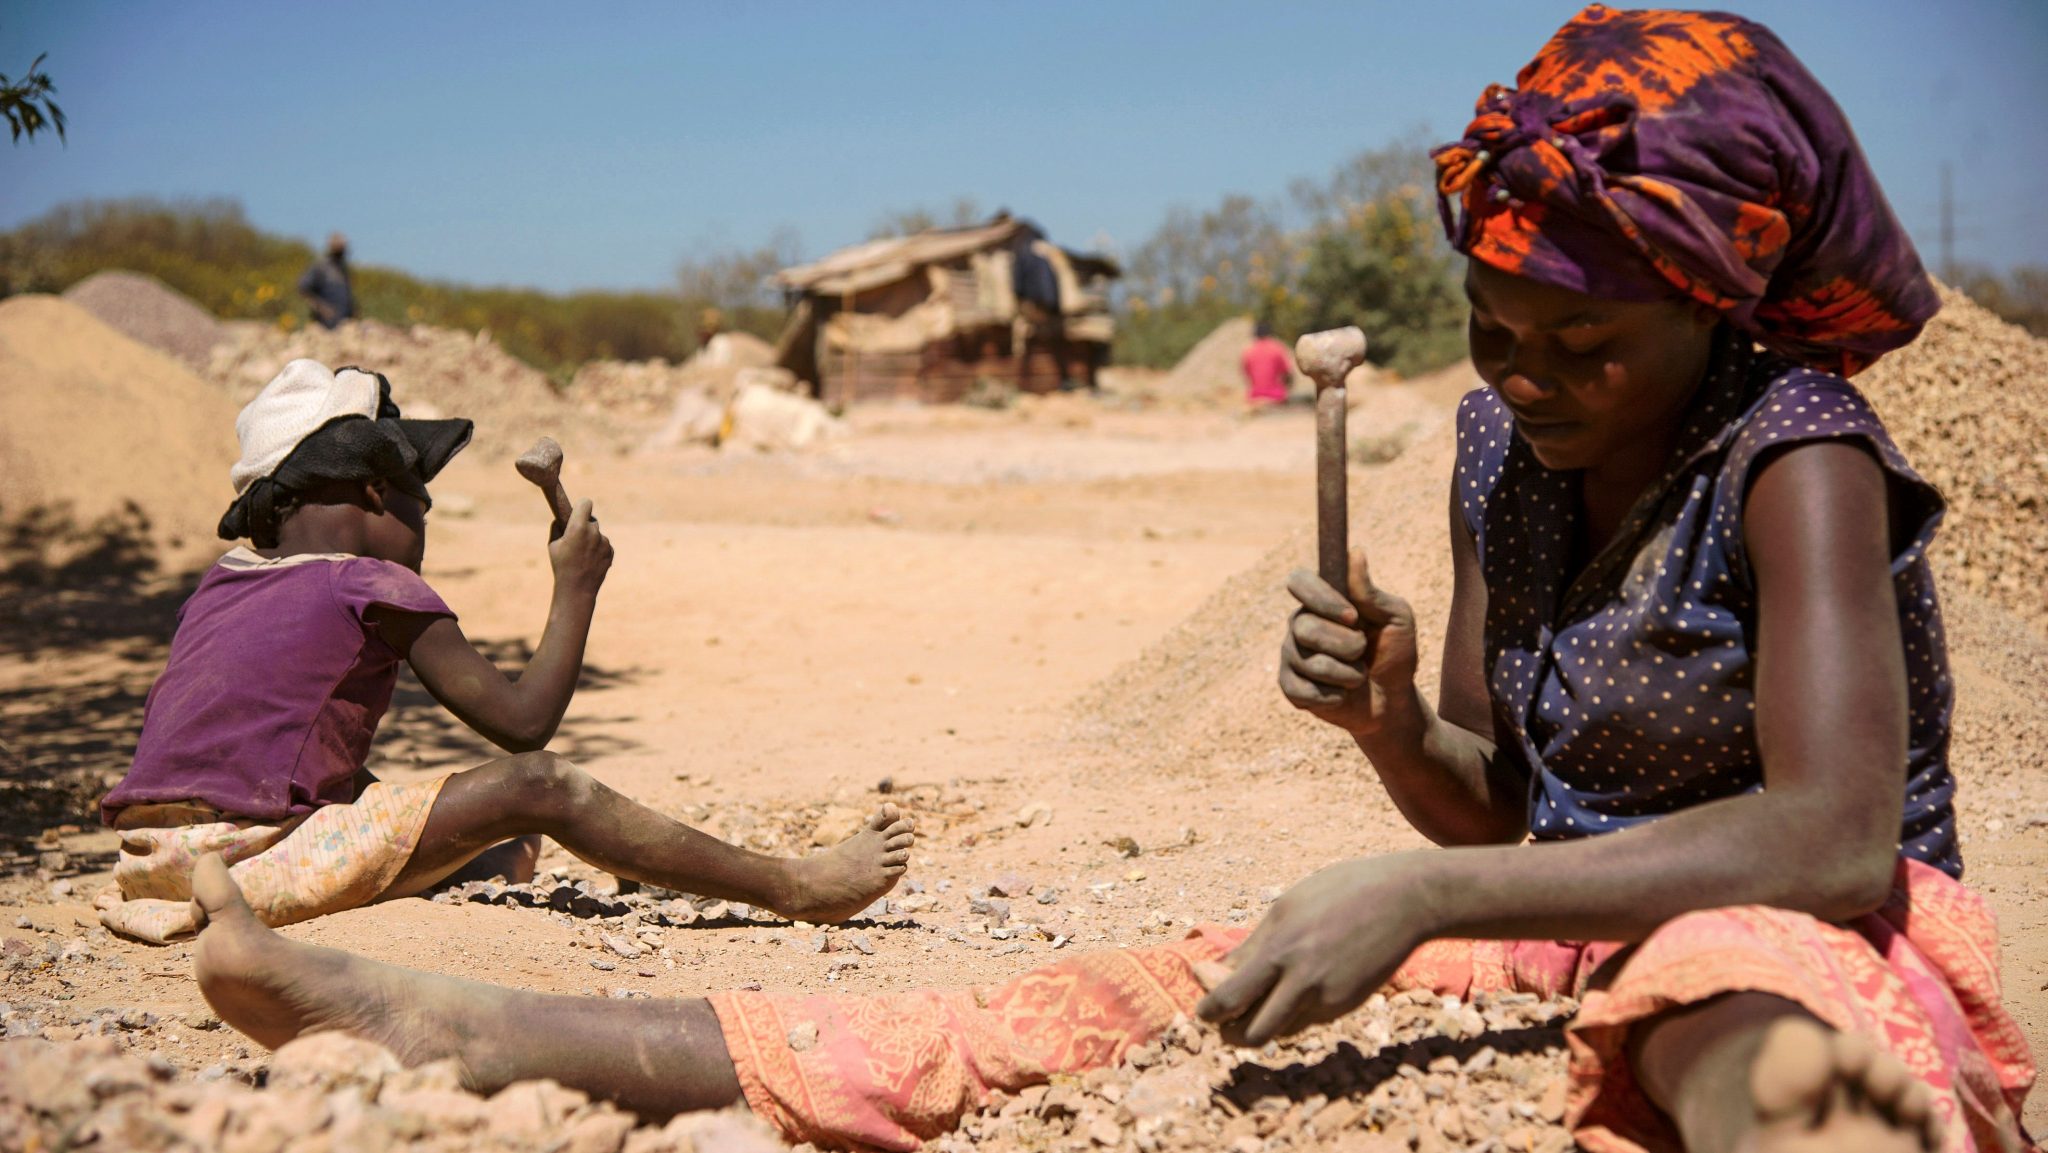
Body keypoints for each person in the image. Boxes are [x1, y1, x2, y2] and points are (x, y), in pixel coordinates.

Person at [183, 9, 2036, 1152]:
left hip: (1799, 935)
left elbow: (1831, 839)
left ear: (1706, 297)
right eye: (1491, 333)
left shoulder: (1792, 449)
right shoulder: (1499, 459)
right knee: (1091, 995)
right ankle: (463, 1023)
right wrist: (1400, 733)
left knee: (1734, 1015)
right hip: (1567, 918)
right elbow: (1507, 813)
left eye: (1583, 344)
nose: (1528, 381)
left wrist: (1418, 884)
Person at [97, 358, 913, 944]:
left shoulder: (222, 582)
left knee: (411, 807)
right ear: (378, 487)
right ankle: (796, 886)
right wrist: (577, 586)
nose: (424, 520)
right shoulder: (371, 582)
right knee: (541, 789)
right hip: (252, 858)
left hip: (150, 858)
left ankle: (501, 864)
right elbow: (525, 728)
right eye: (423, 497)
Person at [297, 233, 355, 330]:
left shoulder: (342, 269)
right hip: (325, 326)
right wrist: (322, 308)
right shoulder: (321, 267)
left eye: (343, 248)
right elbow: (303, 288)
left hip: (343, 324)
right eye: (339, 248)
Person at [1241, 321, 1293, 408]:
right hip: (1276, 397)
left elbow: (1248, 375)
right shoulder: (1277, 348)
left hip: (1254, 397)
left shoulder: (1248, 352)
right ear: (1270, 333)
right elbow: (1287, 374)